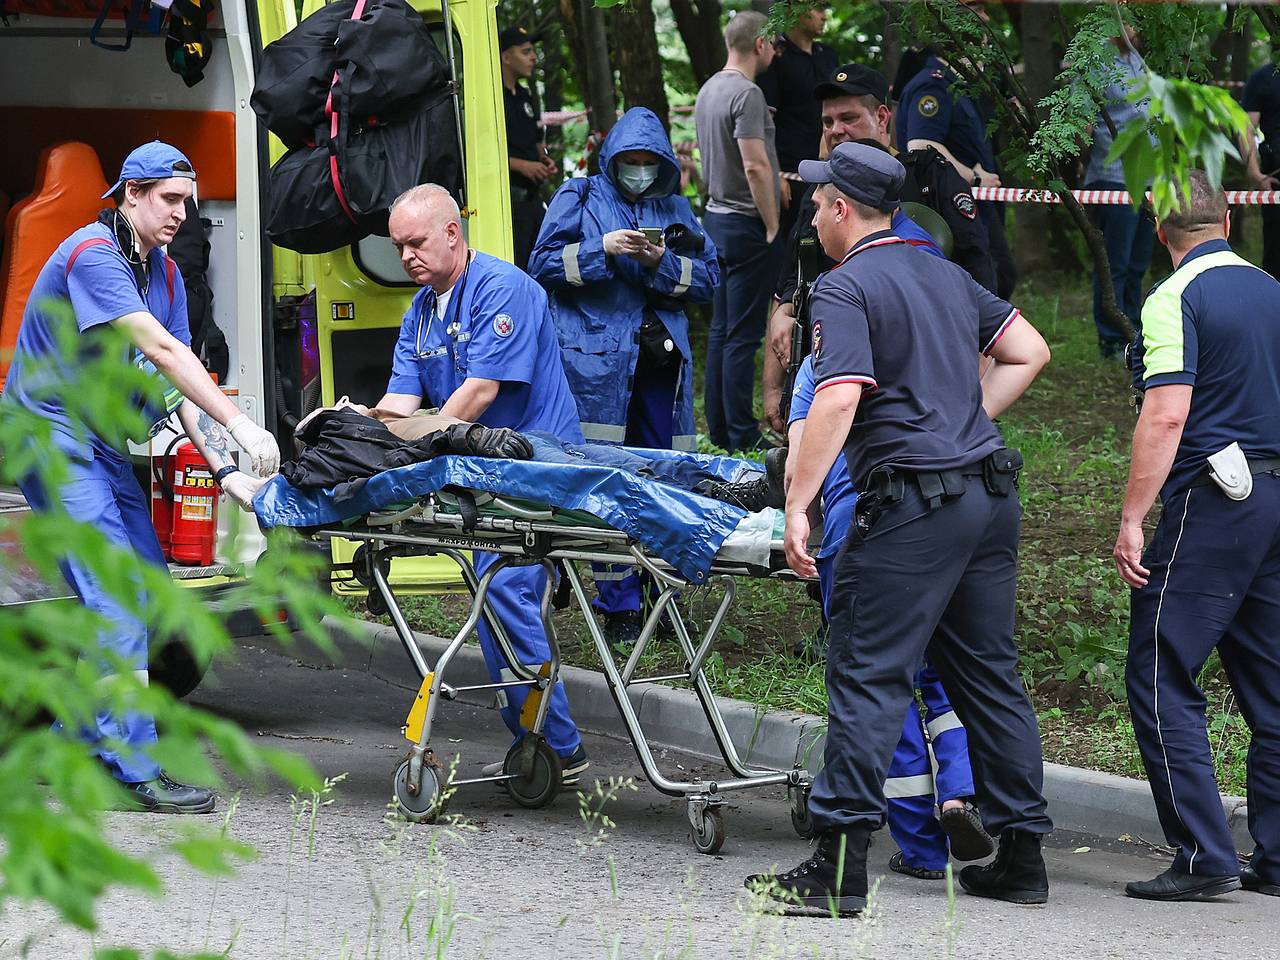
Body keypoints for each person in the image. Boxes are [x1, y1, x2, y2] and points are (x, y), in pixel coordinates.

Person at [746, 142, 1052, 913]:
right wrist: (961, 422)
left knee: (866, 670)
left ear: (843, 210)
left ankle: (836, 868)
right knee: (988, 673)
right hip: (988, 496)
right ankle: (1021, 855)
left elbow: (840, 395)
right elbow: (1027, 350)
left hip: (915, 506)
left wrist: (796, 501)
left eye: (818, 203)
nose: (813, 213)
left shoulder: (846, 287)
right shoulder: (945, 273)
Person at [1, 141, 279, 813]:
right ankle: (132, 768)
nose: (183, 211)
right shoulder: (92, 256)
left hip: (94, 436)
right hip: (47, 434)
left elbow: (175, 379)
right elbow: (159, 348)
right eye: (169, 198)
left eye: (187, 199)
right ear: (130, 195)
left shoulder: (167, 277)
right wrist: (242, 424)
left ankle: (74, 740)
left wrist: (224, 471)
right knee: (118, 598)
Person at [374, 183, 589, 783]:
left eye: (416, 242)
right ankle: (535, 742)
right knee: (494, 599)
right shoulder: (420, 311)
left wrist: (412, 443)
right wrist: (359, 429)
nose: (407, 257)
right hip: (481, 473)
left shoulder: (504, 288)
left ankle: (557, 745)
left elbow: (478, 393)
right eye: (398, 247)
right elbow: (400, 401)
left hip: (535, 467)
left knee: (505, 594)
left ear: (451, 233)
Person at [1114, 171, 1280, 902]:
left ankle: (1203, 855)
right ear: (1232, 221)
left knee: (1158, 670)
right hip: (1276, 497)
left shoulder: (1173, 297)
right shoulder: (1274, 290)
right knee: (1272, 687)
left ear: (1160, 233)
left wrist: (1131, 517)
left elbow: (1166, 414)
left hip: (1215, 498)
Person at [786, 355, 993, 878]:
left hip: (856, 527)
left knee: (879, 683)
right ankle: (959, 796)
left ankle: (922, 848)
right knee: (945, 676)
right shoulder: (932, 348)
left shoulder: (824, 361)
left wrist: (798, 520)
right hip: (939, 518)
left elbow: (797, 461)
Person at [528, 106, 719, 648]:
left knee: (664, 478)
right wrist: (602, 250)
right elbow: (540, 264)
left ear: (661, 164)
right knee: (608, 481)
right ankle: (619, 606)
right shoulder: (580, 196)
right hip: (595, 369)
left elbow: (707, 282)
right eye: (629, 161)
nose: (638, 170)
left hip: (661, 370)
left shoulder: (676, 207)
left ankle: (666, 597)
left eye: (647, 162)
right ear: (611, 160)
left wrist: (661, 260)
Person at [762, 63, 997, 431]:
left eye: (848, 118)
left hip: (920, 379)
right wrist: (774, 390)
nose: (836, 131)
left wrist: (974, 390)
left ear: (882, 116)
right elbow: (789, 285)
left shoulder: (926, 177)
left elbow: (978, 279)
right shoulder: (819, 193)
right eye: (827, 122)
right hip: (833, 372)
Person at [694, 10, 781, 454]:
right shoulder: (746, 94)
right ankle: (742, 434)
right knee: (743, 335)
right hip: (746, 224)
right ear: (760, 44)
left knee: (722, 332)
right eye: (774, 42)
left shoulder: (709, 89)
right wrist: (771, 223)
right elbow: (754, 163)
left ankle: (721, 428)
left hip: (714, 220)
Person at [897, 48, 1017, 299]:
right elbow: (921, 145)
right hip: (951, 209)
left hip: (975, 209)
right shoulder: (934, 84)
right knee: (985, 285)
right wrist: (973, 177)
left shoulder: (961, 86)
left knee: (1000, 278)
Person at [1083, 27, 1156, 360]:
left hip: (1149, 179)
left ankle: (1135, 335)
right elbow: (1082, 122)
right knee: (1116, 264)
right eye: (1128, 21)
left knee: (1139, 262)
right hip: (1113, 179)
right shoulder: (1094, 62)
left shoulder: (1140, 60)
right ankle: (1111, 338)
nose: (1136, 29)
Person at [758, 3, 837, 242]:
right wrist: (776, 174)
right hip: (792, 174)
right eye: (817, 8)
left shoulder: (828, 56)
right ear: (795, 10)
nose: (824, 16)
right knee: (794, 244)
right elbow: (765, 123)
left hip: (828, 168)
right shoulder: (776, 58)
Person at [500, 25, 557, 271]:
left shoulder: (525, 95)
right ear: (506, 57)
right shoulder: (490, 97)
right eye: (526, 52)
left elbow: (535, 141)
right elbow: (479, 151)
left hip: (533, 199)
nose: (533, 57)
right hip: (508, 203)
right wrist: (521, 165)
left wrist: (544, 159)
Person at [1242, 51, 1280, 279]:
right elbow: (1245, 127)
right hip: (1275, 175)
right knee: (1276, 250)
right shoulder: (1262, 77)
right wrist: (1256, 174)